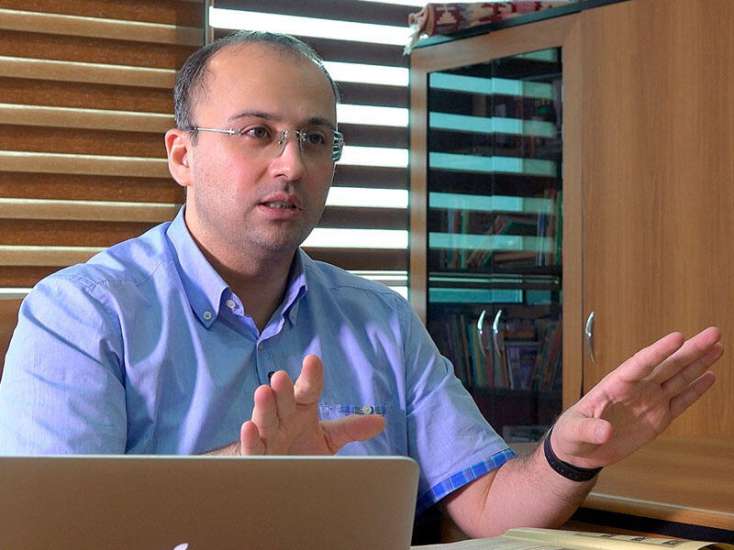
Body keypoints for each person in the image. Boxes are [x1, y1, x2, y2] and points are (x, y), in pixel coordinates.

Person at [0, 31, 723, 538]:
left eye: (316, 138)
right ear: (182, 155)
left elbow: (484, 509)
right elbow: (55, 536)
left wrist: (570, 454)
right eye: (257, 132)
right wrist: (241, 475)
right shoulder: (81, 314)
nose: (292, 165)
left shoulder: (380, 318)